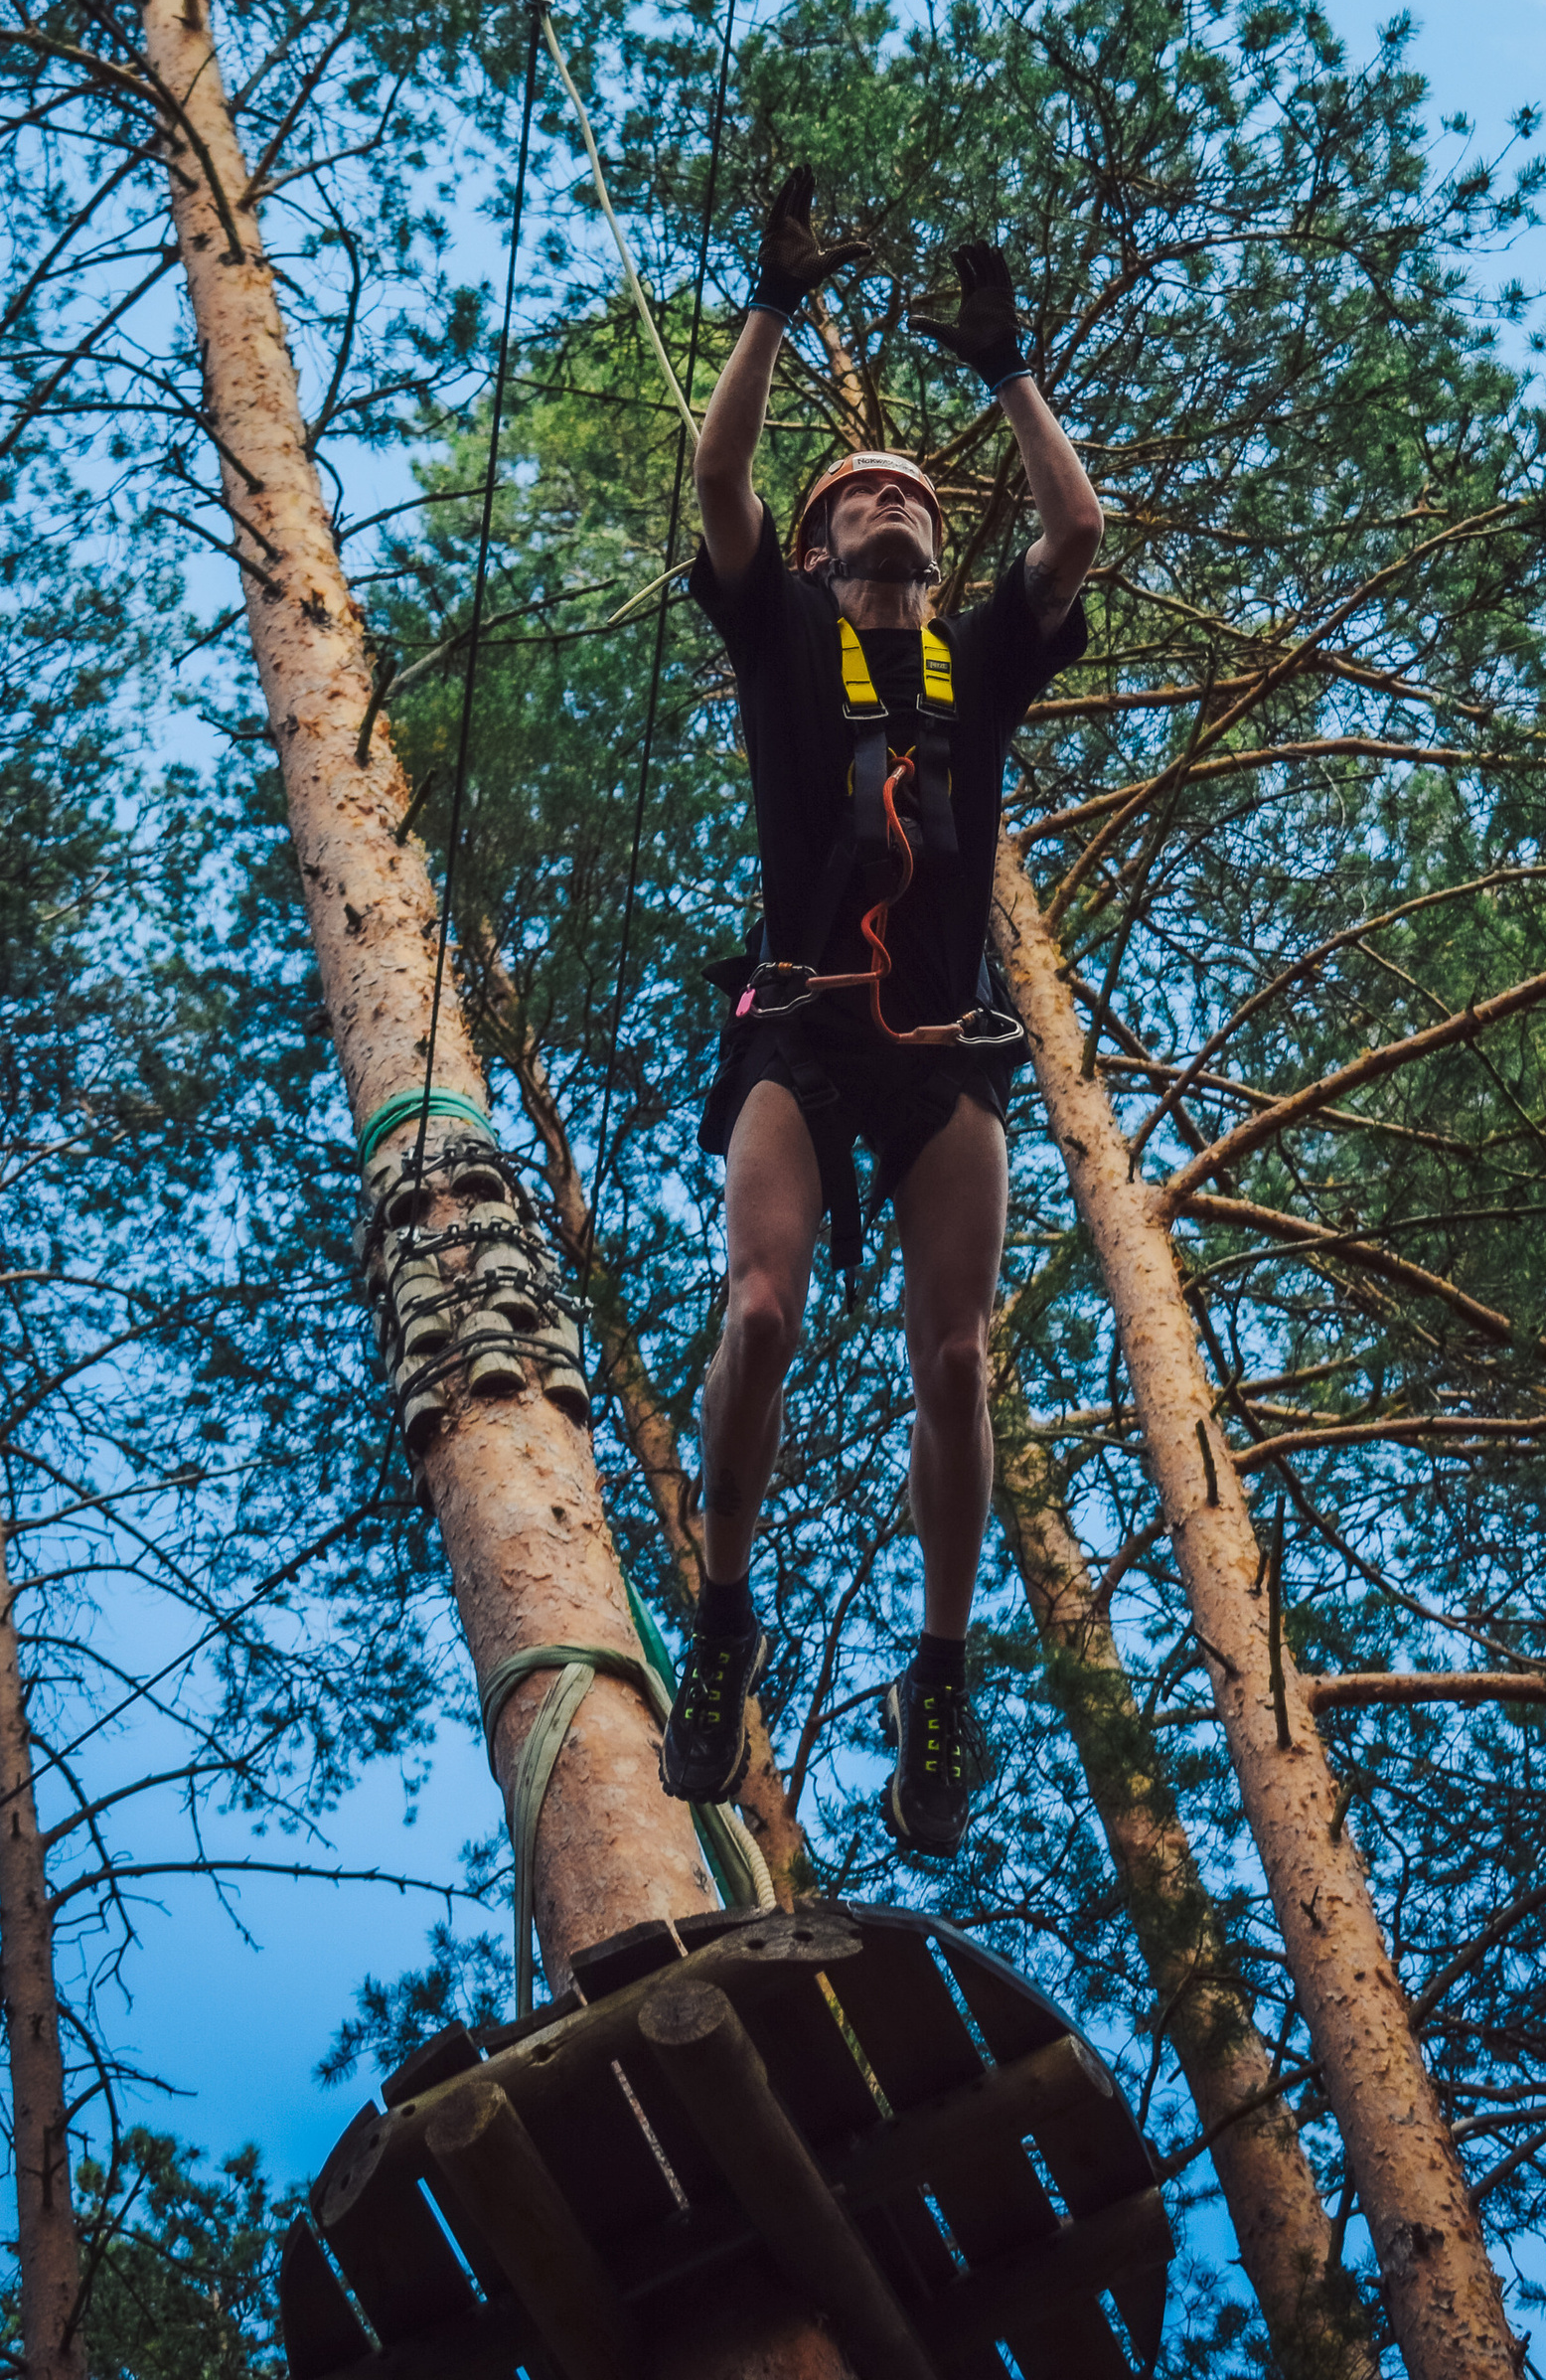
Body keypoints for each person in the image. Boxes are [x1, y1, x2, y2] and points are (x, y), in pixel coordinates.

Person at [658, 166, 1102, 1858]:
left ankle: (938, 1670)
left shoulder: (980, 658)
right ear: (829, 541)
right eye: (858, 496)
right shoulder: (780, 632)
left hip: (945, 1051)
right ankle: (721, 1621)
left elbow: (1073, 534)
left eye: (912, 494)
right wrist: (768, 307)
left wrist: (1009, 372)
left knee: (957, 1362)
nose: (887, 504)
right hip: (798, 1024)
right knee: (760, 1315)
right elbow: (717, 474)